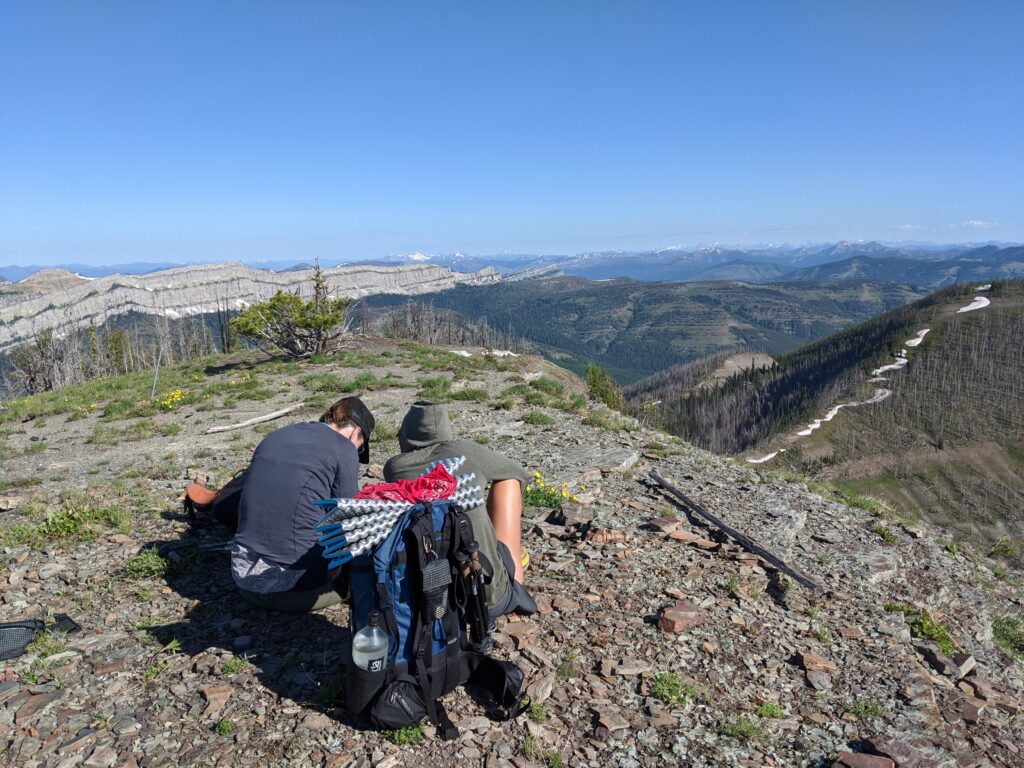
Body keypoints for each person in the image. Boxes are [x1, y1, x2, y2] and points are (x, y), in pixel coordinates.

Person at [383, 400, 537, 619]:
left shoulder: (394, 467)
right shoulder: (464, 450)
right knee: (508, 480)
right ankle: (513, 580)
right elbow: (518, 472)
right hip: (487, 598)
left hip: (428, 604)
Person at [231, 396, 375, 612]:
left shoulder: (275, 436)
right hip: (293, 589)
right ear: (356, 433)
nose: (356, 451)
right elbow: (348, 518)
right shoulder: (343, 448)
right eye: (360, 447)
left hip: (242, 578)